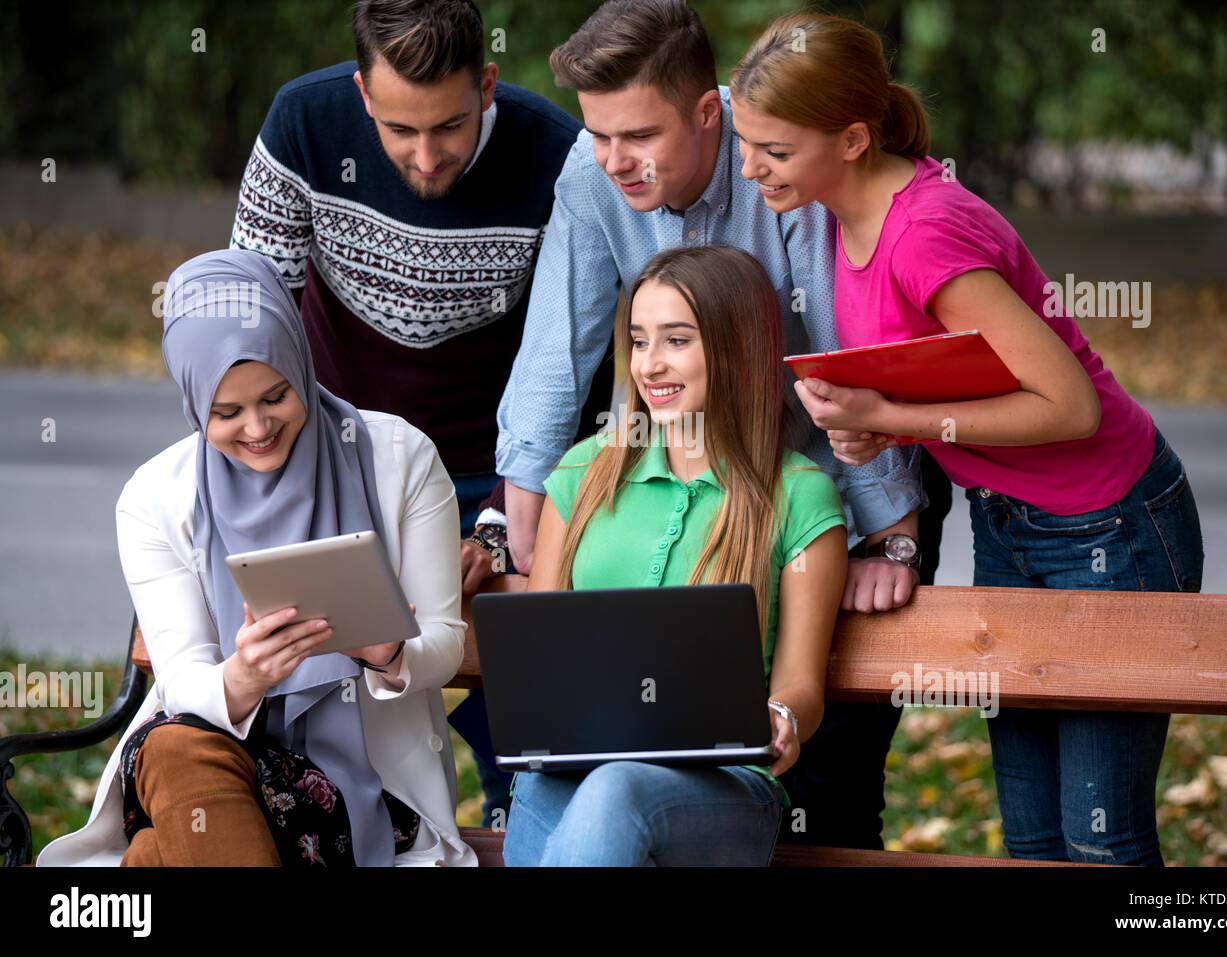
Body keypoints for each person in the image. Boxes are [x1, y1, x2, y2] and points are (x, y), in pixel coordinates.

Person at [730, 12, 1206, 866]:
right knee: (1031, 842)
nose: (750, 167)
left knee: (1102, 840)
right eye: (746, 143)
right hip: (1009, 521)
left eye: (772, 149)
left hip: (1110, 523)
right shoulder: (839, 210)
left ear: (851, 137)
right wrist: (877, 429)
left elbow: (1069, 407)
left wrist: (888, 421)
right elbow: (941, 373)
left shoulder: (925, 232)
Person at [495, 0, 924, 851]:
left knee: (831, 793)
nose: (613, 159)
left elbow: (841, 345)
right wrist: (529, 501)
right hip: (653, 470)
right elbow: (556, 348)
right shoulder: (591, 173)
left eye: (638, 136)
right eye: (598, 134)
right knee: (563, 789)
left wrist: (891, 534)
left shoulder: (777, 161)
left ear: (707, 113)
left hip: (802, 473)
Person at [230, 0, 584, 827]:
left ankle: (521, 818)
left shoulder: (556, 151)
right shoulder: (302, 123)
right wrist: (283, 476)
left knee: (523, 687)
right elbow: (249, 323)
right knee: (321, 685)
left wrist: (502, 517)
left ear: (487, 85)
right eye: (398, 131)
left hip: (491, 465)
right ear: (360, 95)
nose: (426, 157)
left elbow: (581, 355)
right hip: (334, 452)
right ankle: (348, 829)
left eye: (451, 127)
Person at [36, 250, 475, 866]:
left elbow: (447, 644)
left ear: (301, 361)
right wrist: (247, 675)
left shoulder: (399, 458)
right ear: (193, 403)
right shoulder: (154, 497)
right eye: (226, 412)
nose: (258, 428)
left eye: (276, 396)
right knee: (176, 748)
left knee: (155, 858)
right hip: (211, 757)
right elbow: (186, 681)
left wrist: (388, 651)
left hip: (366, 792)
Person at [503, 245, 847, 866]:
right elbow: (540, 659)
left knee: (617, 789)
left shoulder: (799, 494)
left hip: (726, 792)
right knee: (572, 786)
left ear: (737, 347)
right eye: (638, 341)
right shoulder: (581, 475)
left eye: (676, 340)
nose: (649, 364)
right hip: (569, 773)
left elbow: (800, 682)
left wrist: (783, 717)